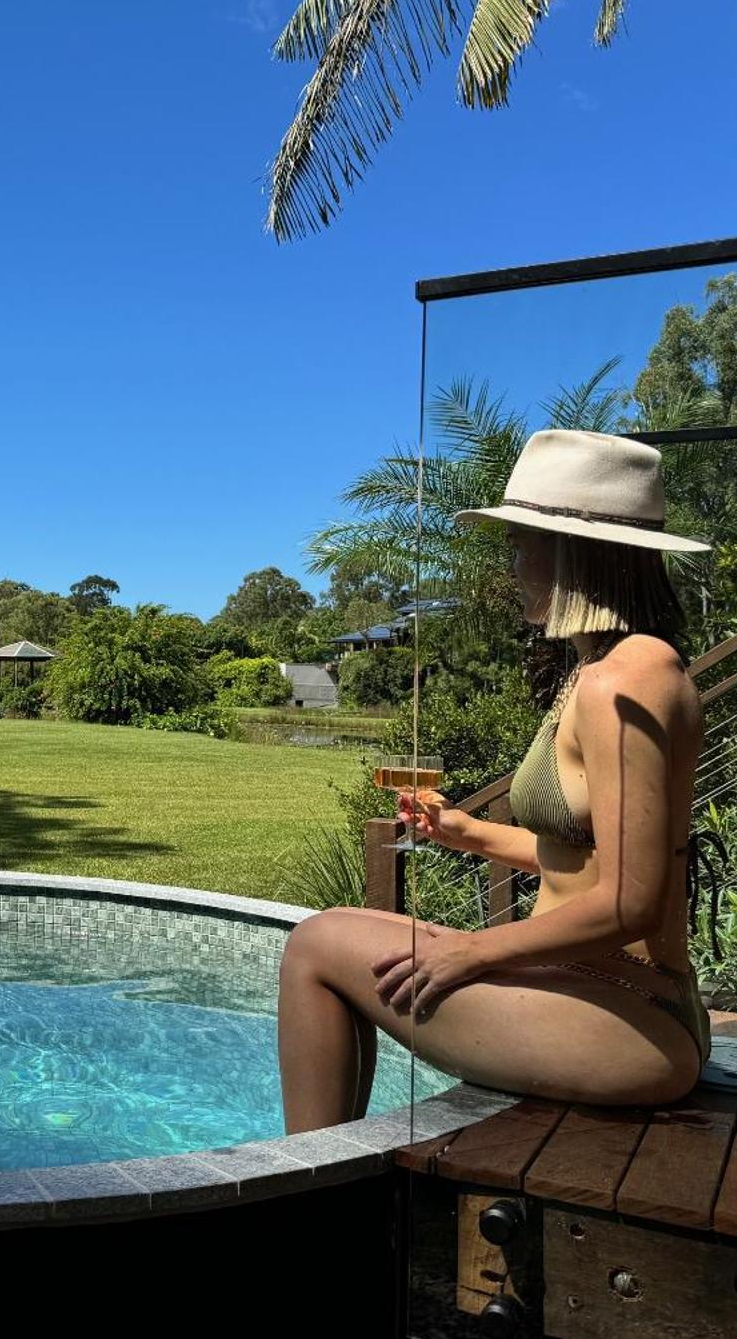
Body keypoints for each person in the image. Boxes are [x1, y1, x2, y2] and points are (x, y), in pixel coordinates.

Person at [277, 428, 714, 1131]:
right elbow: (591, 860)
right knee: (329, 929)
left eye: (521, 543)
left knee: (316, 949)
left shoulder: (627, 680)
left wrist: (470, 951)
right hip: (599, 992)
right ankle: (323, 1179)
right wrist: (470, 834)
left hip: (633, 1023)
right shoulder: (603, 672)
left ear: (573, 552)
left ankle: (308, 1202)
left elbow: (632, 903)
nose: (511, 566)